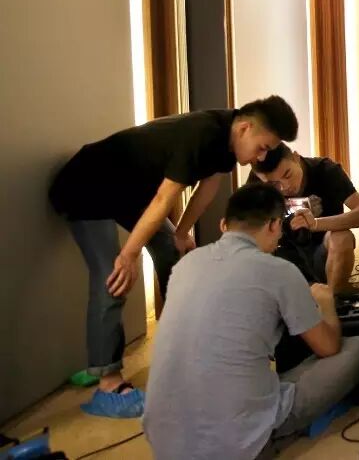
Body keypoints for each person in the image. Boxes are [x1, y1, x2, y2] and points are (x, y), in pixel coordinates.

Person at [48, 96, 298, 418]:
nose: (261, 157)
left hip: (128, 192)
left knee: (173, 252)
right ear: (246, 128)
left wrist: (180, 234)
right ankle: (107, 382)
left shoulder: (228, 139)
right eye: (262, 148)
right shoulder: (201, 134)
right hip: (88, 184)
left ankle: (179, 345)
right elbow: (165, 197)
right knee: (114, 274)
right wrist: (129, 254)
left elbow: (206, 191)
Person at [143, 181, 359, 460]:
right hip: (236, 442)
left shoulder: (184, 266)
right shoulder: (280, 270)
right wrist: (326, 304)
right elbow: (328, 347)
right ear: (275, 226)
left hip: (162, 440)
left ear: (223, 225)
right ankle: (277, 432)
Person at [250, 144, 359, 292]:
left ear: (296, 157)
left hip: (324, 253)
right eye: (273, 184)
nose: (285, 187)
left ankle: (333, 298)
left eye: (288, 175)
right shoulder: (257, 183)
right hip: (283, 258)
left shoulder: (326, 170)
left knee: (342, 237)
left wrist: (315, 224)